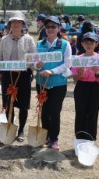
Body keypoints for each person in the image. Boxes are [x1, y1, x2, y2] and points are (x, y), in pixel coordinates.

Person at [0, 11, 36, 142]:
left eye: (19, 22)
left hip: (23, 75)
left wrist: (25, 65)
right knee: (8, 103)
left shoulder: (29, 40)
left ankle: (21, 130)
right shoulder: (4, 39)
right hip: (8, 75)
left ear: (23, 24)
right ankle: (10, 126)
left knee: (23, 104)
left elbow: (33, 58)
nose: (16, 24)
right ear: (10, 25)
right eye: (14, 22)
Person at [35, 16, 72, 150]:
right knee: (44, 111)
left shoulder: (64, 44)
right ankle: (45, 135)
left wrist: (52, 71)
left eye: (53, 27)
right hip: (42, 83)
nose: (50, 29)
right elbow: (34, 63)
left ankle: (54, 138)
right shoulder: (39, 44)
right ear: (44, 29)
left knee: (55, 112)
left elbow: (67, 63)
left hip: (58, 84)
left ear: (59, 28)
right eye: (48, 27)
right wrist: (38, 66)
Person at [71, 32, 99, 142]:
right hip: (81, 87)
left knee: (93, 112)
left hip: (94, 87)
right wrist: (80, 74)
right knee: (80, 112)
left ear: (96, 44)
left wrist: (98, 73)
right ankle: (80, 138)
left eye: (91, 42)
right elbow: (74, 79)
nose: (89, 44)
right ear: (82, 44)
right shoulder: (78, 59)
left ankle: (90, 138)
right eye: (86, 42)